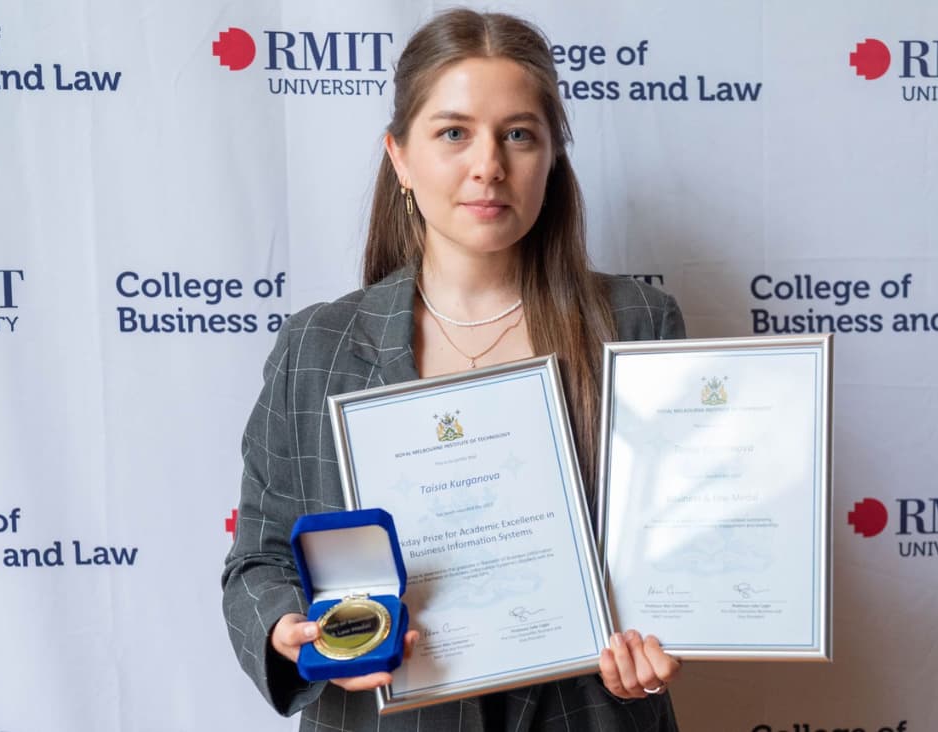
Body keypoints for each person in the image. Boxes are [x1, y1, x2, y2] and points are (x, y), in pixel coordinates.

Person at [222, 9, 685, 731]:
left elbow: (675, 552)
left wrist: (658, 644)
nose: (488, 165)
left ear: (552, 158)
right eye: (453, 132)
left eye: (519, 134)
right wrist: (288, 632)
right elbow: (259, 558)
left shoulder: (635, 325)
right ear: (400, 156)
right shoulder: (318, 345)